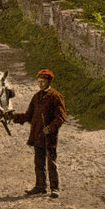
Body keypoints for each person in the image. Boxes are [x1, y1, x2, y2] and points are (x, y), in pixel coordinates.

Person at [11, 69, 67, 198]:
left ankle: (55, 188)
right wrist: (13, 117)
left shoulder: (56, 96)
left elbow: (61, 117)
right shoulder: (36, 97)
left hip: (49, 137)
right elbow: (28, 115)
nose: (40, 84)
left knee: (51, 163)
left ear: (49, 82)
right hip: (37, 136)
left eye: (43, 82)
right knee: (38, 163)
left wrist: (51, 128)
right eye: (39, 81)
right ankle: (40, 186)